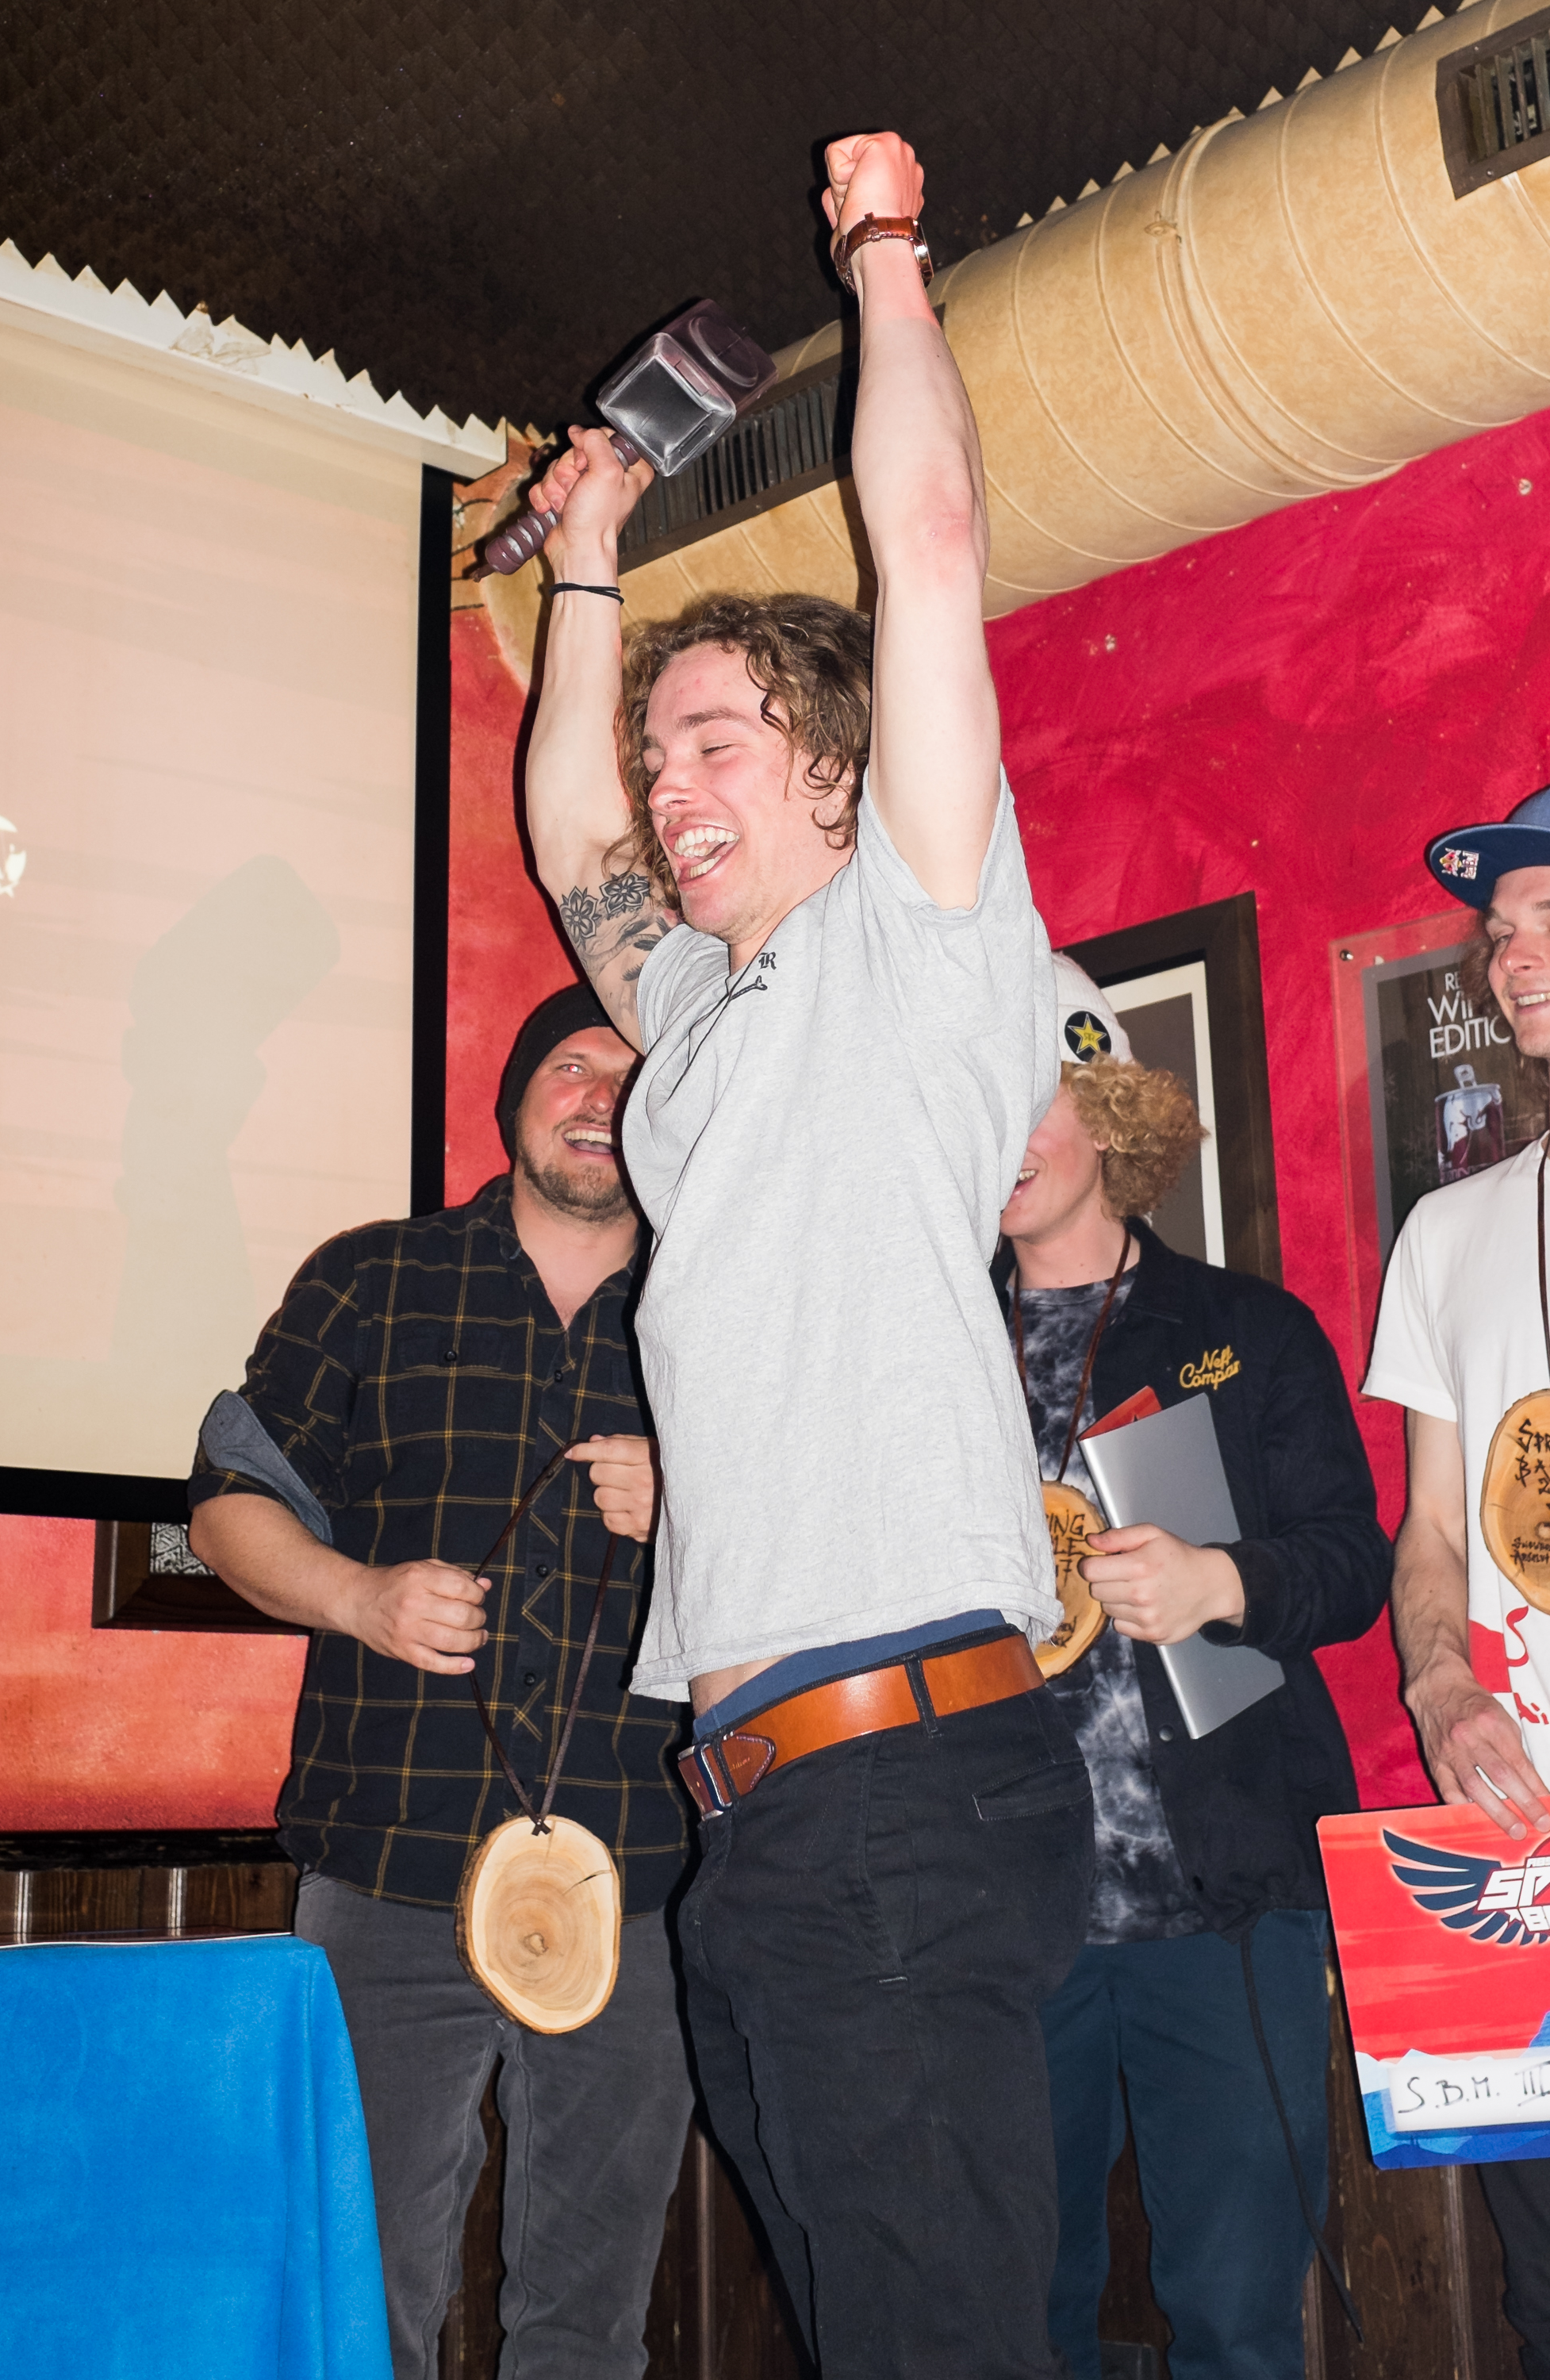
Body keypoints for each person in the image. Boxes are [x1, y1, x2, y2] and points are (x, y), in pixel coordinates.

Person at [523, 129, 1092, 2380]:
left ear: (841, 774)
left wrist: (886, 260)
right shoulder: (696, 1024)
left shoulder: (918, 936)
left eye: (718, 743)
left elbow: (927, 546)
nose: (670, 786)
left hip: (902, 1793)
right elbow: (572, 844)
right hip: (755, 1813)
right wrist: (587, 561)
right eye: (665, 753)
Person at [187, 984, 694, 2380]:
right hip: (387, 1867)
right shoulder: (372, 1277)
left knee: (592, 2322)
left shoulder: (720, 1304)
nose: (600, 1095)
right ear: (515, 1096)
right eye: (572, 1065)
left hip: (643, 1881)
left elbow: (829, 1555)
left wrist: (701, 1509)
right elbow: (224, 1506)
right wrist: (357, 1595)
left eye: (633, 1072)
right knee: (360, 2303)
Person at [1007, 954, 1391, 2380]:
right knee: (1010, 2325)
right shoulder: (922, 1352)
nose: (1001, 1137)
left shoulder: (1247, 1328)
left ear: (1109, 1116)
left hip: (1226, 1899)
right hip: (1000, 1917)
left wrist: (1221, 1582)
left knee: (1239, 2325)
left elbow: (1352, 1560)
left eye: (1030, 1098)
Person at [1365, 785, 1550, 2379]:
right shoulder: (1447, 1231)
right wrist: (1437, 1681)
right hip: (1521, 1853)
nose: (1514, 955)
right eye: (1501, 931)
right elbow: (1430, 1532)